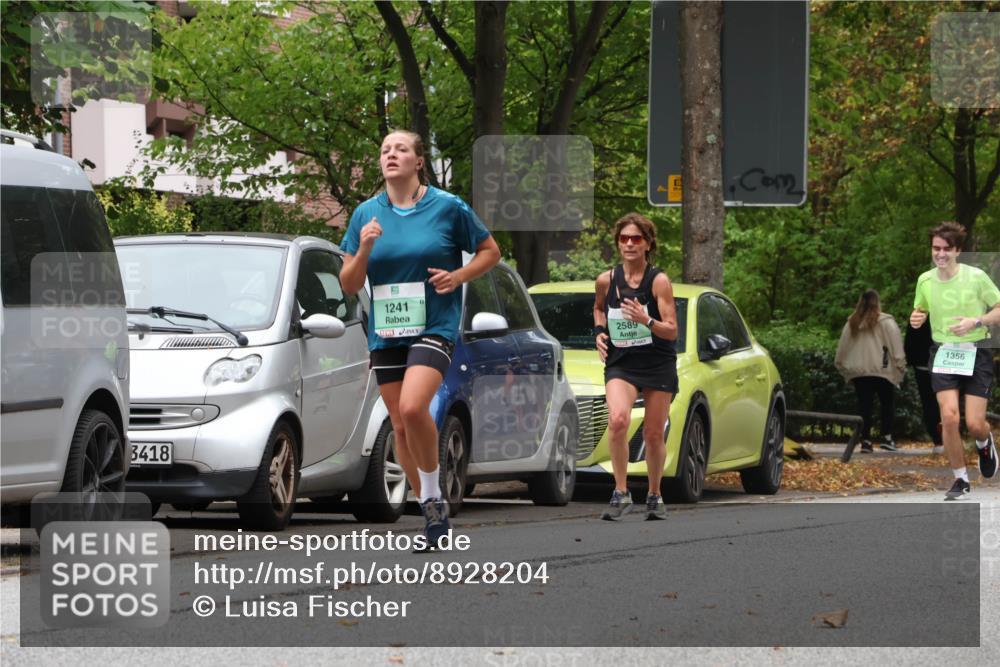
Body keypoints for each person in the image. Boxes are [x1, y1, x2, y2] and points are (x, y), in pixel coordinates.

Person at [340, 130, 500, 548]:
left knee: (413, 408)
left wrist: (458, 276)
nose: (391, 155)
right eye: (385, 150)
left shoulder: (448, 207)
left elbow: (491, 252)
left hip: (434, 325)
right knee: (399, 423)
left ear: (418, 161)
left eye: (401, 149)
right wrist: (364, 248)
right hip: (387, 329)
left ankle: (432, 495)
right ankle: (432, 510)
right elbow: (349, 283)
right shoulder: (366, 214)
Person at [593, 213, 678, 521]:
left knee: (653, 433)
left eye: (636, 239)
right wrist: (599, 332)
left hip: (657, 363)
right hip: (622, 362)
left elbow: (672, 330)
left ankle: (654, 494)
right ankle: (621, 492)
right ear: (618, 243)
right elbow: (598, 307)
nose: (629, 244)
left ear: (648, 244)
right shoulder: (606, 280)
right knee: (617, 420)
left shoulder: (659, 281)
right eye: (624, 238)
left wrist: (646, 320)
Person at [909, 222, 1000, 500]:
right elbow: (920, 310)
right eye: (936, 248)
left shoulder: (976, 277)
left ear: (958, 250)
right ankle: (960, 479)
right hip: (944, 351)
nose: (940, 254)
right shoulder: (925, 280)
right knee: (948, 417)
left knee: (974, 423)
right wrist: (916, 318)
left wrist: (976, 320)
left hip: (976, 351)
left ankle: (984, 442)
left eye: (946, 249)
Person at [834, 290, 906, 453]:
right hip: (883, 369)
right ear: (878, 302)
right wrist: (900, 365)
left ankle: (865, 440)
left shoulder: (852, 322)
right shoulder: (887, 322)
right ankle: (887, 437)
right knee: (887, 404)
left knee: (864, 406)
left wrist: (841, 365)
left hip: (860, 371)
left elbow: (843, 347)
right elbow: (896, 346)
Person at [904, 319, 943, 452]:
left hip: (922, 363)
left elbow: (910, 342)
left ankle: (938, 439)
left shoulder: (919, 316)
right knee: (943, 401)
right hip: (943, 363)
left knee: (929, 403)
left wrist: (911, 360)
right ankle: (943, 437)